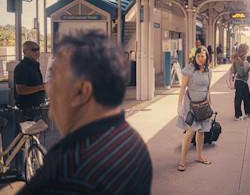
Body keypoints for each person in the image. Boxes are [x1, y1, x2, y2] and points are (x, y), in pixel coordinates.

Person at [17, 31, 152, 195]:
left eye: (55, 82)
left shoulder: (67, 169)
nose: (49, 90)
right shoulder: (131, 140)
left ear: (81, 92)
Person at [176, 46, 213, 172]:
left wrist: (211, 105)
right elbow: (183, 87)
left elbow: (208, 89)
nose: (201, 59)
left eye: (203, 56)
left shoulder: (209, 71)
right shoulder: (189, 70)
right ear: (195, 57)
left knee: (201, 131)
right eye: (198, 56)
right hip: (190, 106)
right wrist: (179, 104)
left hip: (203, 106)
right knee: (190, 132)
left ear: (206, 57)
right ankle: (182, 160)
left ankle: (199, 156)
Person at [13, 41, 46, 181]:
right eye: (33, 50)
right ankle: (20, 172)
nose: (37, 52)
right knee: (22, 141)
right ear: (25, 52)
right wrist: (41, 87)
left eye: (38, 49)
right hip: (25, 109)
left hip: (36, 108)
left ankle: (31, 166)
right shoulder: (22, 67)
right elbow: (20, 89)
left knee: (33, 139)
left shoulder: (35, 65)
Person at [231, 44, 250, 121]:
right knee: (238, 98)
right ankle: (237, 115)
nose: (247, 53)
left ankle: (248, 112)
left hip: (243, 82)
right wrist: (249, 67)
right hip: (240, 81)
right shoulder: (238, 60)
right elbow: (241, 72)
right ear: (243, 51)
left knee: (247, 96)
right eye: (246, 51)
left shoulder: (241, 59)